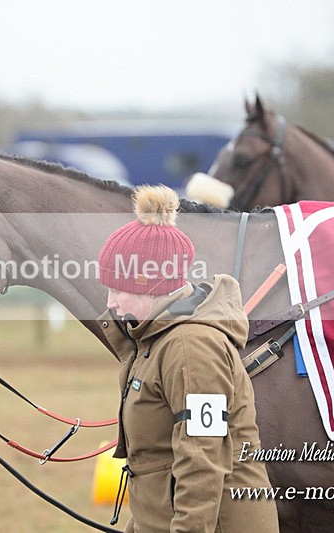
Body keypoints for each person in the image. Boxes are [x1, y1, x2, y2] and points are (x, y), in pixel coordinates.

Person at [97, 185, 279, 532]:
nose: (112, 302)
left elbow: (202, 458)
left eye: (119, 289)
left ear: (151, 285)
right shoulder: (157, 337)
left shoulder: (189, 346)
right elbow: (158, 460)